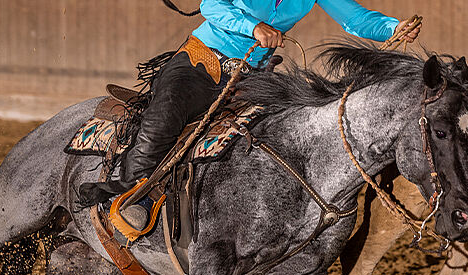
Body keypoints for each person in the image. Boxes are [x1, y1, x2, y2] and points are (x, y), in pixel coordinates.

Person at [78, 0, 420, 229]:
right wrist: (253, 27)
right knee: (164, 117)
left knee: (279, 140)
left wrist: (393, 28)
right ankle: (131, 192)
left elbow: (357, 19)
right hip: (204, 60)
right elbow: (212, 5)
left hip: (253, 76)